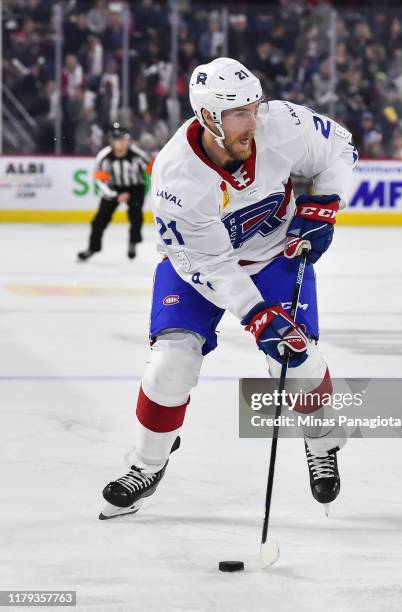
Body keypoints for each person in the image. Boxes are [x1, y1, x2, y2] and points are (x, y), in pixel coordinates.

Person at [99, 58, 358, 520]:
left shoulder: (280, 125)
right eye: (238, 114)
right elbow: (210, 263)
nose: (252, 122)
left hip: (276, 253)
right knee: (169, 365)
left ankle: (321, 444)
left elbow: (339, 147)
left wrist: (324, 203)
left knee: (299, 358)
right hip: (198, 265)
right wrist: (256, 314)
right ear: (207, 117)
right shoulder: (177, 177)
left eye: (253, 108)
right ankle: (146, 464)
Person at [77, 123, 151, 261]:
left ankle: (133, 242)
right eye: (118, 140)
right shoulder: (104, 156)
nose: (122, 144)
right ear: (112, 141)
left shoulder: (137, 154)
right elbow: (100, 181)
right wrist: (115, 195)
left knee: (136, 216)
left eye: (124, 140)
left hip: (136, 188)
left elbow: (153, 169)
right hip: (113, 189)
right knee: (99, 220)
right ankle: (92, 248)